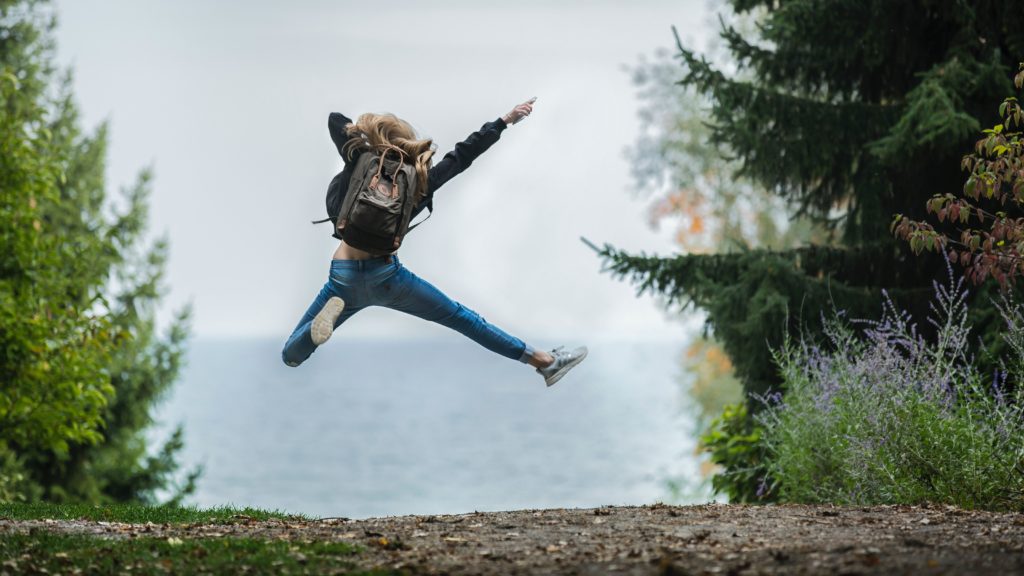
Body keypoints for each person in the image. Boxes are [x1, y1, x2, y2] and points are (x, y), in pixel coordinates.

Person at [281, 98, 587, 387]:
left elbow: (336, 120)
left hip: (343, 277)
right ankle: (544, 362)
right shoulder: (419, 180)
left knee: (291, 356)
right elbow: (462, 156)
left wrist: (368, 138)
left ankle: (315, 331)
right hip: (387, 278)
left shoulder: (360, 159)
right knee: (463, 319)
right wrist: (504, 121)